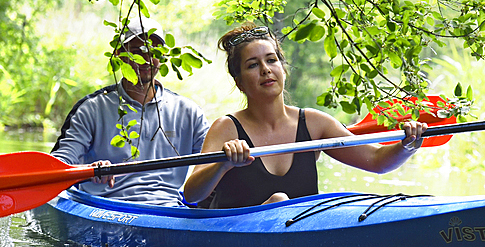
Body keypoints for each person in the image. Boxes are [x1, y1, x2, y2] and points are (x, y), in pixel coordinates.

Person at [182, 23, 426, 208]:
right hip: (235, 237)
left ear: (283, 69)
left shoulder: (314, 124)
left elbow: (378, 161)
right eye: (253, 65)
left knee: (282, 200)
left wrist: (407, 145)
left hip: (295, 235)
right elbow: (192, 194)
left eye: (271, 60)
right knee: (279, 199)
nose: (266, 69)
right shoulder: (227, 128)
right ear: (240, 83)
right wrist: (222, 164)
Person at [51, 16, 209, 205]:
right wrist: (87, 170)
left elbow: (214, 162)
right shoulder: (92, 108)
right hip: (104, 205)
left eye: (154, 52)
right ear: (119, 54)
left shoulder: (189, 112)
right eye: (137, 51)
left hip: (169, 208)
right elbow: (59, 165)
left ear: (163, 57)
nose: (147, 59)